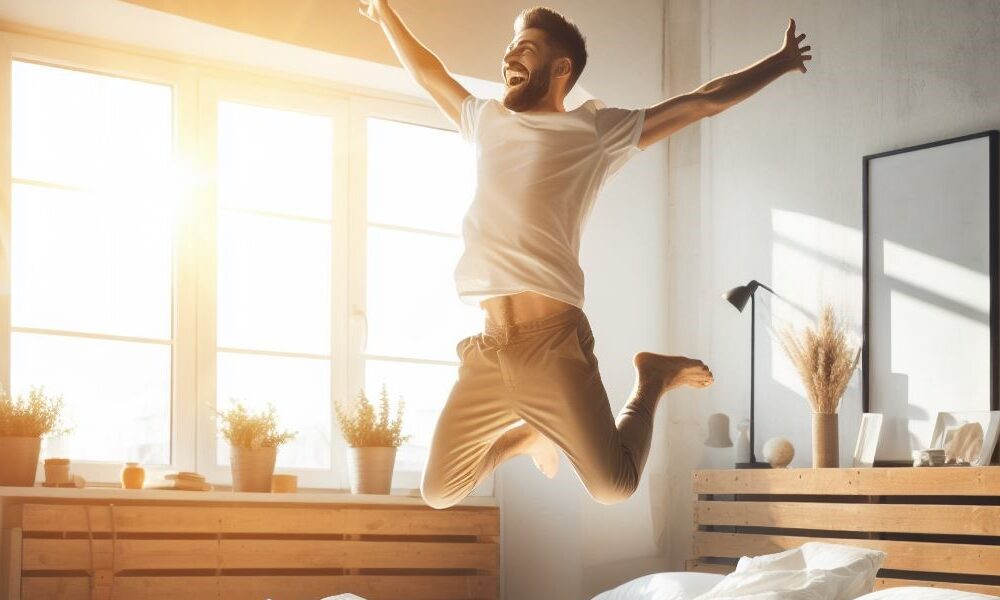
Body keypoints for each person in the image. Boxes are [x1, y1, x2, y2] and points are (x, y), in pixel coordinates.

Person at [359, 1, 812, 508]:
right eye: (509, 47)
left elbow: (700, 101)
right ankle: (525, 436)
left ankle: (653, 378)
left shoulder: (594, 134)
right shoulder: (485, 120)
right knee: (439, 491)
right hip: (491, 347)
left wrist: (780, 61)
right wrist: (384, 14)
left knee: (613, 486)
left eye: (525, 47)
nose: (509, 54)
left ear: (561, 69)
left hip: (553, 346)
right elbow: (428, 72)